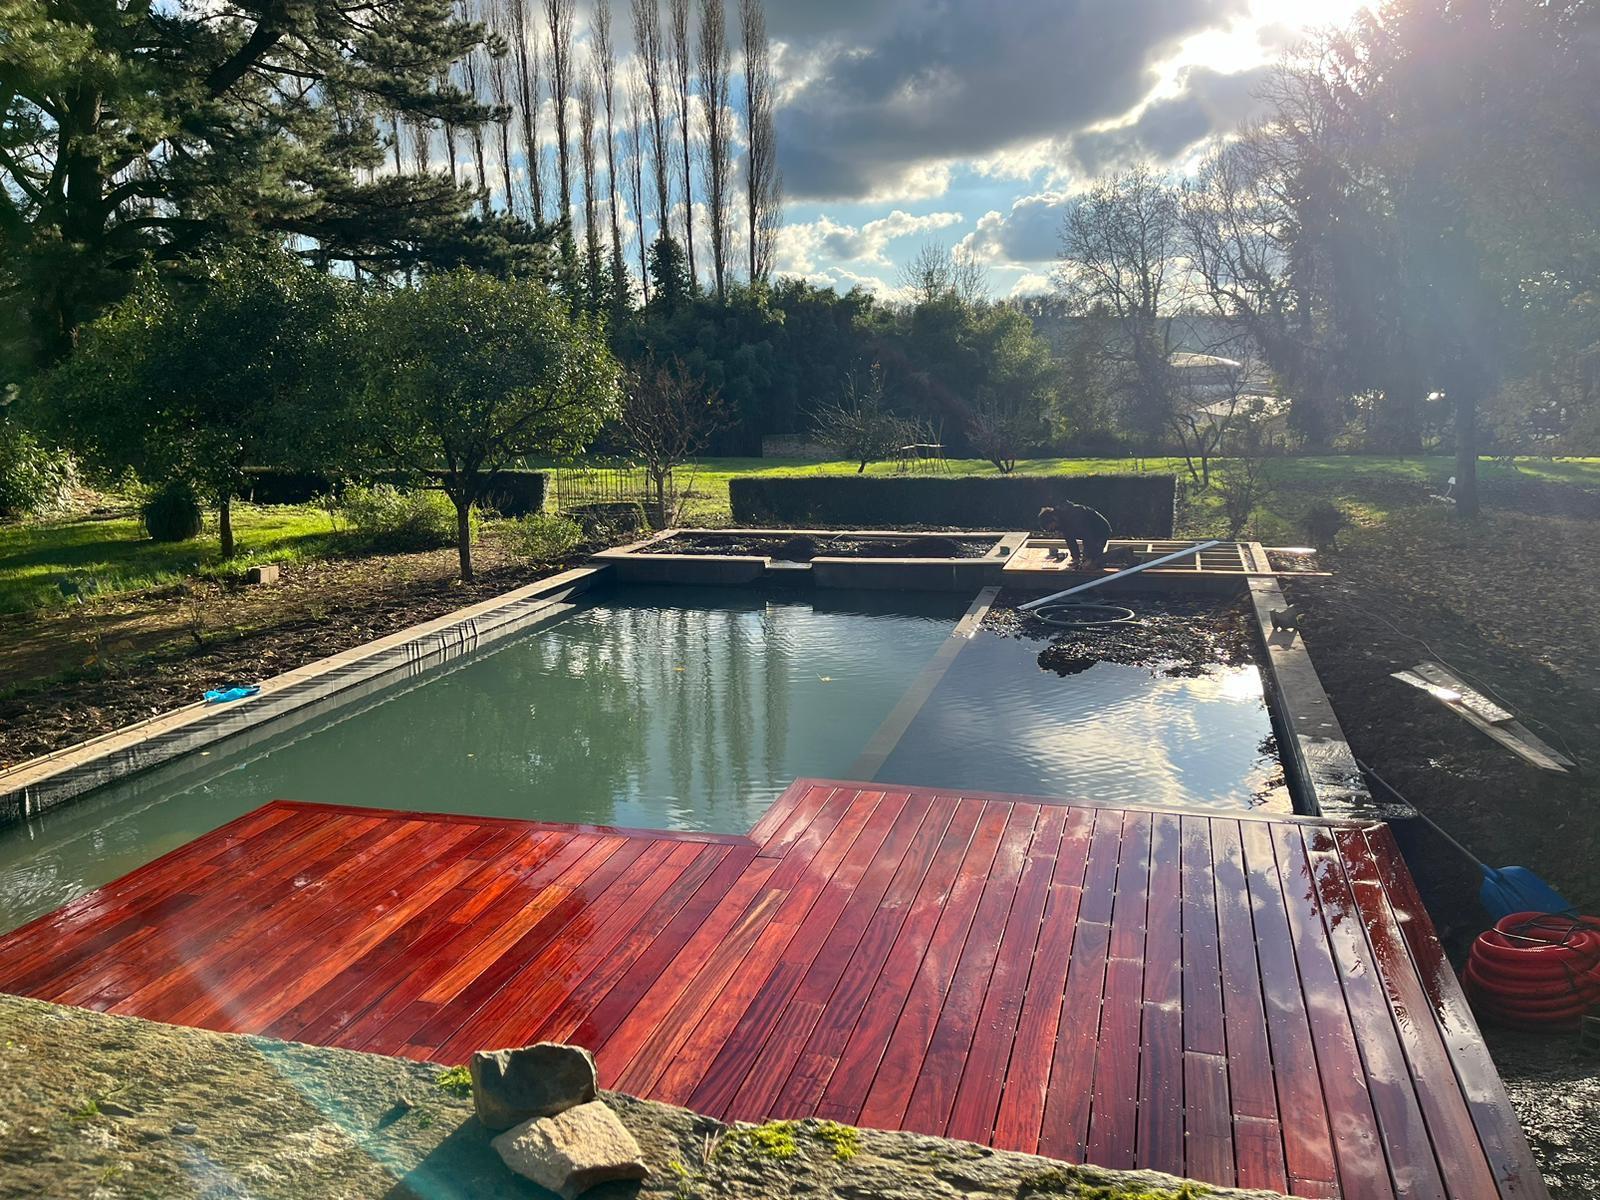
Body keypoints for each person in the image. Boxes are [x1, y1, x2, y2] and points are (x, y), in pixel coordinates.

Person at [1036, 503, 1112, 567]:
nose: (1054, 530)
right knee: (1085, 560)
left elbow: (1087, 535)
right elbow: (1070, 540)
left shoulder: (1073, 516)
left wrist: (1090, 558)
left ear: (1053, 519)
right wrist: (1076, 558)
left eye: (1052, 527)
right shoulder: (1062, 521)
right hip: (1090, 532)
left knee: (1094, 562)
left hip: (1101, 531)